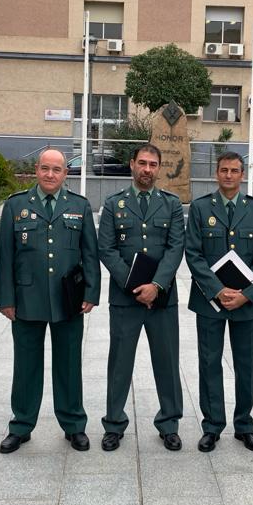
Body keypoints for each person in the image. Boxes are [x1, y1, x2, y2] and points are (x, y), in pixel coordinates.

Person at [0, 148, 101, 453]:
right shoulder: (16, 205)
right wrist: (5, 299)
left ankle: (73, 425)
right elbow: (5, 257)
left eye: (57, 169)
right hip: (26, 298)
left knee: (69, 364)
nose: (50, 174)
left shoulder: (79, 206)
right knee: (26, 366)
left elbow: (90, 254)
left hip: (68, 300)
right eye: (45, 168)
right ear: (36, 170)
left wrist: (91, 293)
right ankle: (21, 425)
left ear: (66, 173)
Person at [98, 144, 186, 451]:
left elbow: (175, 248)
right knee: (120, 363)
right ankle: (114, 424)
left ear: (159, 168)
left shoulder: (171, 204)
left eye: (153, 164)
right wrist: (135, 286)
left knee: (167, 362)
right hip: (126, 299)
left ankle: (169, 424)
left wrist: (156, 285)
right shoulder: (114, 204)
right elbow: (106, 249)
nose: (147, 169)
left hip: (162, 299)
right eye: (143, 163)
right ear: (132, 164)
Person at [185, 151, 253, 452]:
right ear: (216, 173)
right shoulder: (200, 208)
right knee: (209, 363)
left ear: (242, 174)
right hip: (210, 301)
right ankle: (212, 426)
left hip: (246, 303)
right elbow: (193, 253)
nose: (229, 175)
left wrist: (246, 294)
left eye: (234, 170)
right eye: (224, 170)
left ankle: (244, 425)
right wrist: (218, 290)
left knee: (246, 365)